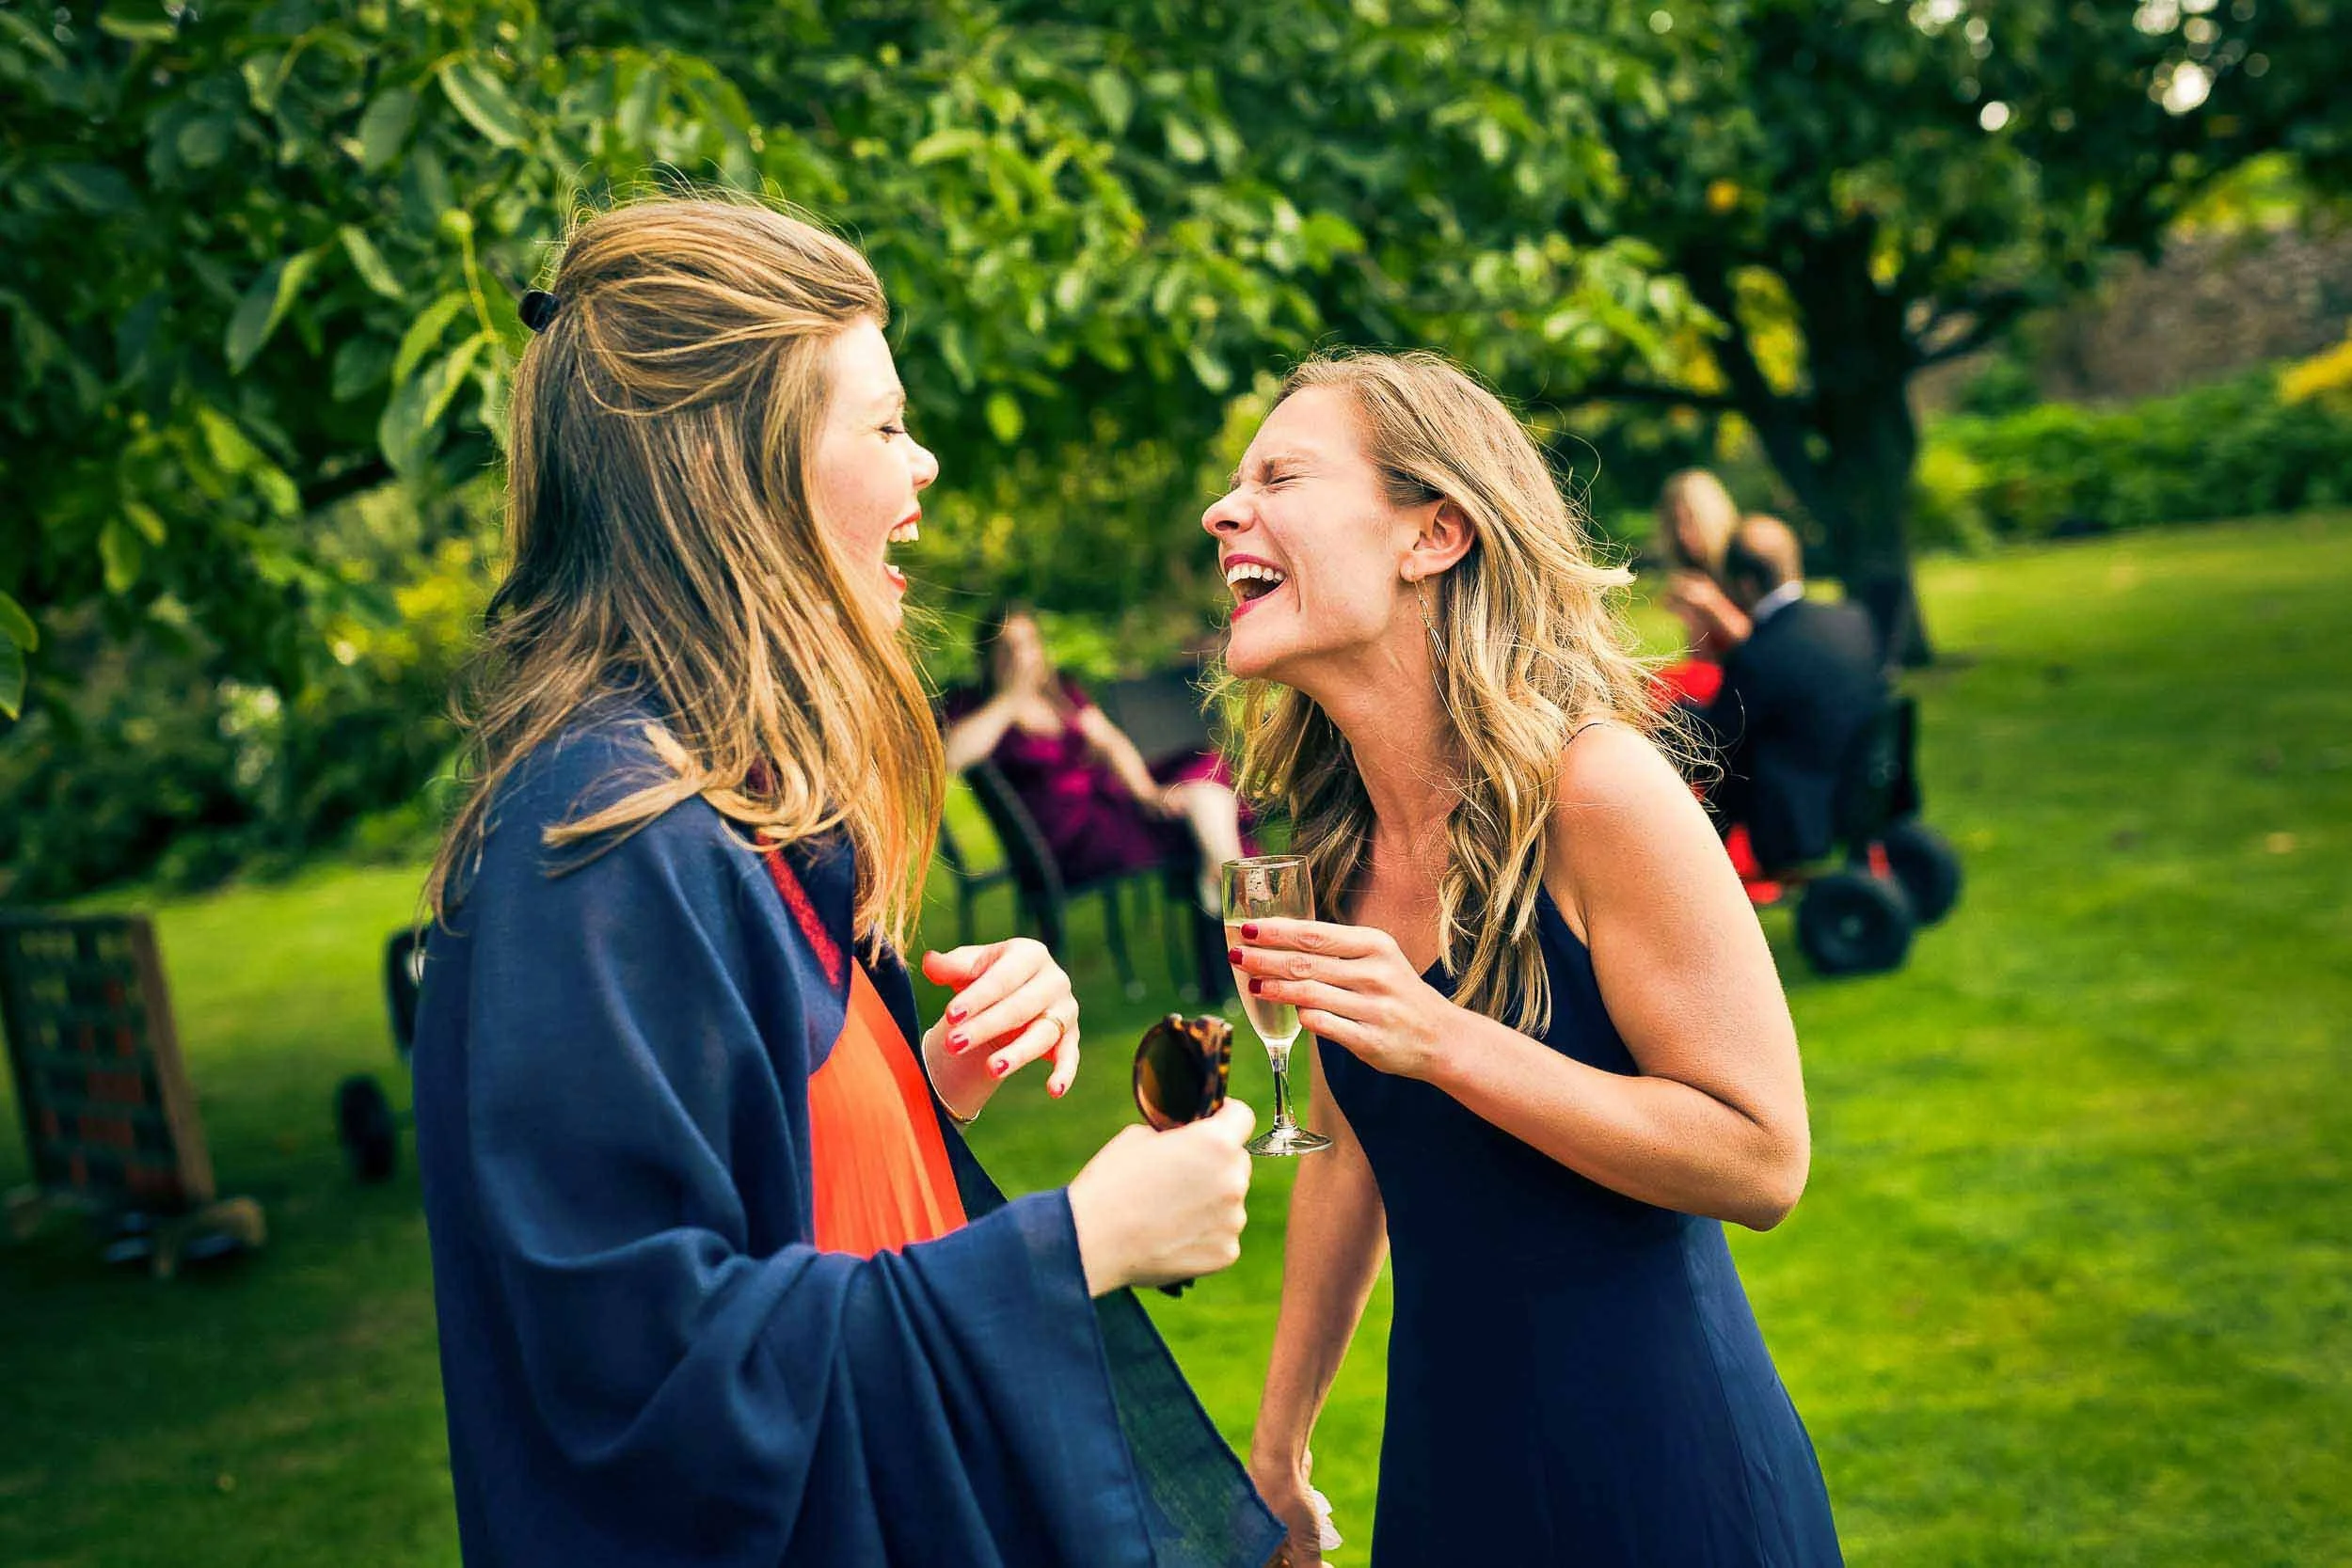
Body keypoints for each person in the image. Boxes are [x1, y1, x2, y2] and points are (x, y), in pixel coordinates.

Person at [408, 196, 1281, 1568]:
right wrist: (1075, 1243)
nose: (922, 462)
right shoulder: (602, 842)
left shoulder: (727, 807)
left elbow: (767, 1207)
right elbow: (644, 1387)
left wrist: (907, 1092)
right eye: (881, 423)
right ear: (734, 472)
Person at [1208, 351, 1841, 1565]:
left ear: (1434, 533)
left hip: (1665, 1474)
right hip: (1451, 1472)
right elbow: (1349, 1156)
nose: (1226, 510)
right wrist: (1279, 1446)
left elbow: (1764, 1155)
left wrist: (1444, 1037)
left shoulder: (1600, 792)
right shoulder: (1335, 845)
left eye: (1280, 474)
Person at [940, 603, 1250, 916]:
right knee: (1199, 819)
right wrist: (1010, 696)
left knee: (1202, 768)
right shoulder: (974, 703)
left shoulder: (1059, 692)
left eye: (1028, 642)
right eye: (1007, 648)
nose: (1021, 656)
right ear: (988, 657)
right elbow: (952, 756)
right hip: (1070, 838)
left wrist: (1146, 793)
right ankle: (1235, 889)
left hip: (1107, 802)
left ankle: (1224, 878)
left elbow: (1111, 742)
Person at [1685, 515, 1890, 870]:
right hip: (1861, 788)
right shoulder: (1853, 620)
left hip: (1793, 816)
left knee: (1726, 764)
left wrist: (1674, 715)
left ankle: (1695, 867)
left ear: (1745, 585)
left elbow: (1718, 738)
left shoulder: (1759, 653)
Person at [1654, 467, 1745, 703]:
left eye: (1690, 521)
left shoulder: (1743, 562)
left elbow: (1768, 646)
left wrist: (1713, 605)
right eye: (1675, 524)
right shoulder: (1694, 573)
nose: (1683, 534)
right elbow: (1702, 664)